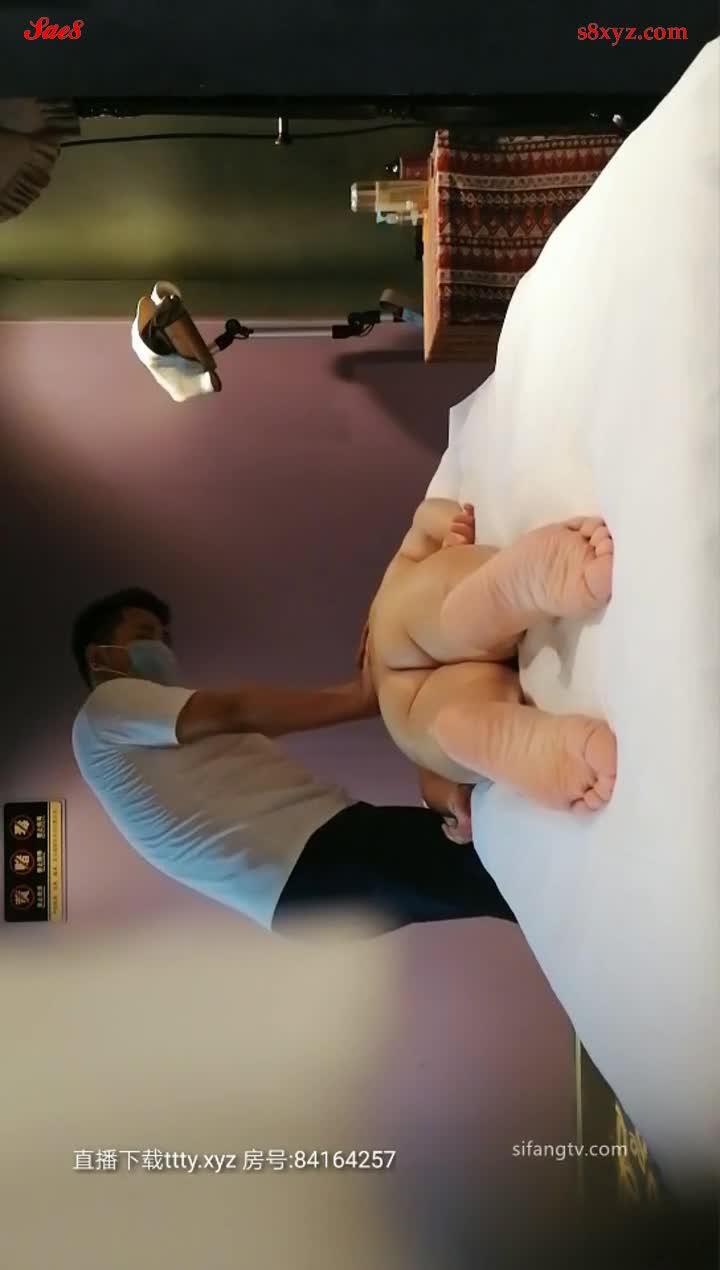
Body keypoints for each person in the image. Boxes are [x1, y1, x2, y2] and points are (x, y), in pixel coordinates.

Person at [70, 588, 516, 935]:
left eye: (165, 638)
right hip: (309, 862)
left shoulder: (146, 731)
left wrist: (371, 696)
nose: (162, 647)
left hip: (305, 875)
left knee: (493, 872)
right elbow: (236, 710)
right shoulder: (106, 708)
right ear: (100, 656)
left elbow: (249, 721)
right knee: (502, 870)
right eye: (145, 635)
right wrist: (363, 696)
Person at [364, 499, 617, 813]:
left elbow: (430, 781)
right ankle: (501, 595)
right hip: (407, 628)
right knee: (445, 616)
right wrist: (451, 527)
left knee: (435, 735)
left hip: (408, 711)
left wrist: (449, 800)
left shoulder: (385, 610)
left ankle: (527, 745)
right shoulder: (389, 592)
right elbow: (424, 517)